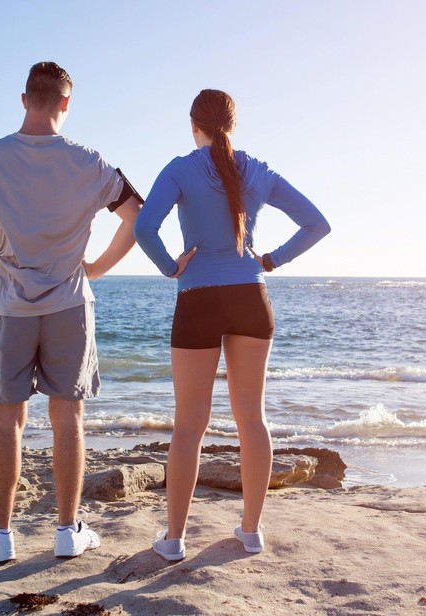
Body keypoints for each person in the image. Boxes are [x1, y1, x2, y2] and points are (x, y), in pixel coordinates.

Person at [0, 61, 143, 563]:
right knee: (68, 419)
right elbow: (139, 216)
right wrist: (98, 267)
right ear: (66, 103)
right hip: (69, 303)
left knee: (8, 423)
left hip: (9, 305)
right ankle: (67, 531)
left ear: (25, 99)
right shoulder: (91, 162)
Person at [133, 89, 330, 561]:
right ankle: (251, 531)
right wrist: (270, 259)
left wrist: (169, 266)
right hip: (250, 297)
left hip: (198, 298)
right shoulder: (258, 170)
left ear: (193, 124)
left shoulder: (179, 168)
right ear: (234, 125)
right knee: (251, 418)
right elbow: (317, 224)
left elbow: (144, 228)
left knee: (189, 426)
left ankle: (175, 540)